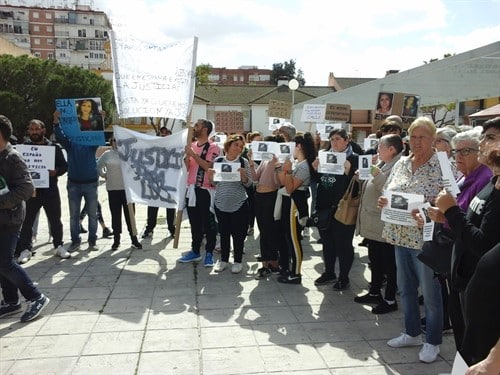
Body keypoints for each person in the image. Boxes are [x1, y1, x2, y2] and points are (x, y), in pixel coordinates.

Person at [378, 117, 446, 364]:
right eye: (413, 137)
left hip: (427, 238)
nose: (417, 142)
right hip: (400, 234)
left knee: (430, 293)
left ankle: (433, 341)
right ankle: (412, 333)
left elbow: (454, 200)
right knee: (405, 289)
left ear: (433, 139)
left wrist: (429, 208)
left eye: (422, 137)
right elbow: (390, 191)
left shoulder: (443, 164)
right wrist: (384, 202)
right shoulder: (402, 163)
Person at [434, 117, 500, 366]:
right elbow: (471, 225)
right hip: (465, 282)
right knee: (465, 351)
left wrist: (451, 211)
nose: (483, 143)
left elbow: (484, 245)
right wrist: (446, 216)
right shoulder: (493, 184)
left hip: (487, 299)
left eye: (490, 138)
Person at [0, 114, 50, 322]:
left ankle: (36, 297)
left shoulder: (13, 157)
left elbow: (27, 188)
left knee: (5, 263)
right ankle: (12, 302)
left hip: (10, 218)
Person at [354, 134, 404, 313]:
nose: (377, 151)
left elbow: (390, 191)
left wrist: (376, 174)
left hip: (384, 224)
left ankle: (390, 299)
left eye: (380, 147)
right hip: (373, 223)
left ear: (392, 149)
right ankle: (375, 292)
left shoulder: (399, 165)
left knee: (389, 264)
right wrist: (364, 176)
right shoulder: (384, 162)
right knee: (375, 261)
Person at [15, 119, 69, 264]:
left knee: (55, 220)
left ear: (43, 130)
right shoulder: (23, 148)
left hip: (50, 190)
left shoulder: (53, 147)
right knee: (27, 222)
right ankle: (25, 249)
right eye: (31, 129)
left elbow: (64, 166)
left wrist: (56, 171)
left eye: (37, 129)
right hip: (31, 192)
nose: (34, 132)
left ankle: (58, 246)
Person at [312, 128, 359, 290]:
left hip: (343, 208)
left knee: (343, 244)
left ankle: (344, 277)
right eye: (332, 139)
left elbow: (360, 187)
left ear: (347, 141)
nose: (335, 143)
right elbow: (318, 180)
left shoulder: (355, 159)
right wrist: (315, 169)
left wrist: (349, 172)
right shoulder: (324, 155)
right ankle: (329, 272)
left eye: (338, 139)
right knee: (327, 242)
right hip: (324, 207)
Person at [53, 110, 99, 252]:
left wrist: (99, 119)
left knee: (93, 214)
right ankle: (75, 241)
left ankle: (92, 241)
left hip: (91, 183)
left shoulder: (92, 144)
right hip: (73, 184)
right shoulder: (70, 144)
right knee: (74, 215)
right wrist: (56, 120)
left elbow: (97, 135)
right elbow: (60, 135)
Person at [208, 134, 253, 274]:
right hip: (221, 203)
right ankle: (223, 260)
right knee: (224, 234)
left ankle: (238, 261)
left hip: (239, 204)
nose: (239, 148)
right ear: (228, 145)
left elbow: (250, 183)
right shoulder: (219, 160)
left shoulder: (243, 162)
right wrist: (210, 176)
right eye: (236, 145)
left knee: (238, 235)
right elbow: (215, 183)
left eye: (241, 146)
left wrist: (244, 176)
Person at [178, 119, 220, 266]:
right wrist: (186, 156)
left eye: (197, 126)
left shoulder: (212, 147)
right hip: (191, 189)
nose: (194, 128)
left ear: (205, 129)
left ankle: (209, 253)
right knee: (194, 223)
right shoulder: (192, 145)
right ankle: (195, 251)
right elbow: (187, 167)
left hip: (205, 189)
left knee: (209, 223)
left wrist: (193, 155)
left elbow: (208, 166)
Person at [276, 132, 316, 284]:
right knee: (288, 237)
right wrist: (280, 168)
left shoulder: (304, 166)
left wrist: (288, 171)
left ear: (298, 146)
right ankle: (291, 270)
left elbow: (291, 187)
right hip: (289, 203)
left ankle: (297, 273)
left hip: (295, 205)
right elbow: (283, 182)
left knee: (294, 239)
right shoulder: (298, 163)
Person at [97, 136, 142, 250]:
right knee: (115, 216)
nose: (116, 143)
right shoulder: (107, 154)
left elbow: (136, 168)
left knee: (130, 216)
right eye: (114, 140)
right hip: (113, 189)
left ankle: (134, 239)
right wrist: (104, 175)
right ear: (111, 142)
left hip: (127, 191)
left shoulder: (128, 154)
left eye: (119, 140)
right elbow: (98, 166)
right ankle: (116, 240)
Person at [249, 135, 283, 279]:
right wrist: (251, 163)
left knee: (270, 230)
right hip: (259, 197)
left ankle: (273, 262)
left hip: (271, 197)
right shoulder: (264, 159)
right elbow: (255, 178)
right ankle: (265, 263)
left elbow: (278, 182)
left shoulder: (279, 159)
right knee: (263, 230)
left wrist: (277, 165)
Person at [142, 127, 176, 239]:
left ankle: (172, 229)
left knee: (171, 207)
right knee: (152, 207)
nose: (164, 137)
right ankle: (149, 228)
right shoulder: (152, 150)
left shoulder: (175, 150)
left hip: (170, 183)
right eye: (162, 135)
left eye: (166, 135)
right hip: (155, 183)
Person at [242, 131, 262, 236]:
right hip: (250, 183)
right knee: (251, 205)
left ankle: (261, 226)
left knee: (259, 207)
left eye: (260, 140)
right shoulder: (246, 153)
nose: (259, 143)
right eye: (256, 141)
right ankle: (250, 226)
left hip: (261, 183)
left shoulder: (264, 153)